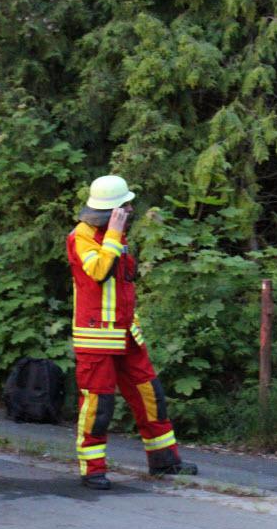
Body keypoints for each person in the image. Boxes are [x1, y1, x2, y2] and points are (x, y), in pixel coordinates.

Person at [66, 175, 197, 490]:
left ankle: (164, 460)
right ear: (112, 210)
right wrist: (113, 232)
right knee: (99, 406)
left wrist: (114, 233)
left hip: (126, 335)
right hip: (97, 339)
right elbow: (99, 271)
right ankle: (92, 469)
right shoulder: (81, 237)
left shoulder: (116, 236)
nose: (130, 210)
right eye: (125, 206)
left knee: (151, 396)